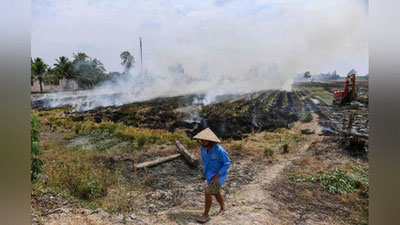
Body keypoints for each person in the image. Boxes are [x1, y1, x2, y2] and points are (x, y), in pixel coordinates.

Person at [193, 128, 231, 223]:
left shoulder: (219, 150)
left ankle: (205, 215)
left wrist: (217, 176)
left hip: (219, 175)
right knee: (216, 191)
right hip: (210, 174)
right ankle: (223, 207)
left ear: (210, 141)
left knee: (208, 192)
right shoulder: (203, 148)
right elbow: (205, 162)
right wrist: (204, 174)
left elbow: (227, 164)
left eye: (204, 140)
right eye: (201, 139)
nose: (201, 141)